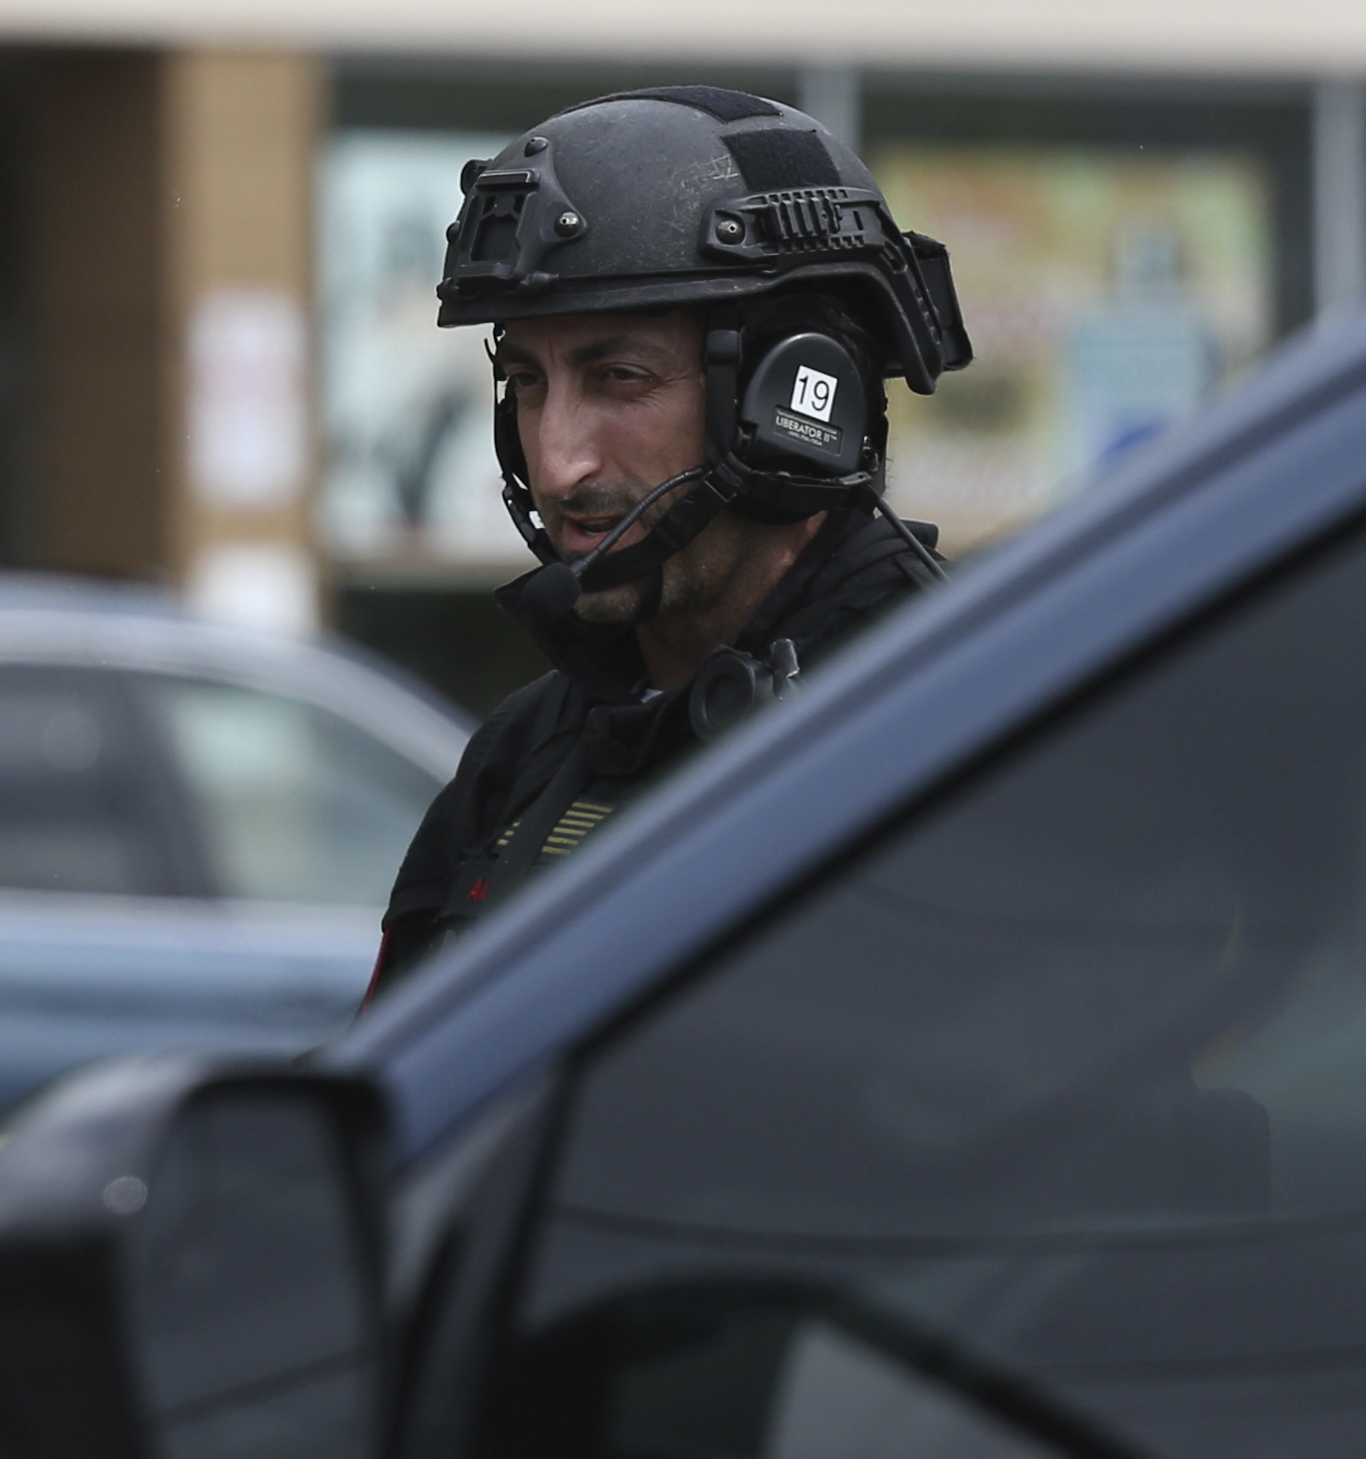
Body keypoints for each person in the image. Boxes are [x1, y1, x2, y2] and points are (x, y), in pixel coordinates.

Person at [370, 88, 973, 989]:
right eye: (529, 383)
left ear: (791, 399)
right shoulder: (525, 750)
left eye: (618, 376)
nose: (558, 460)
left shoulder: (970, 717)